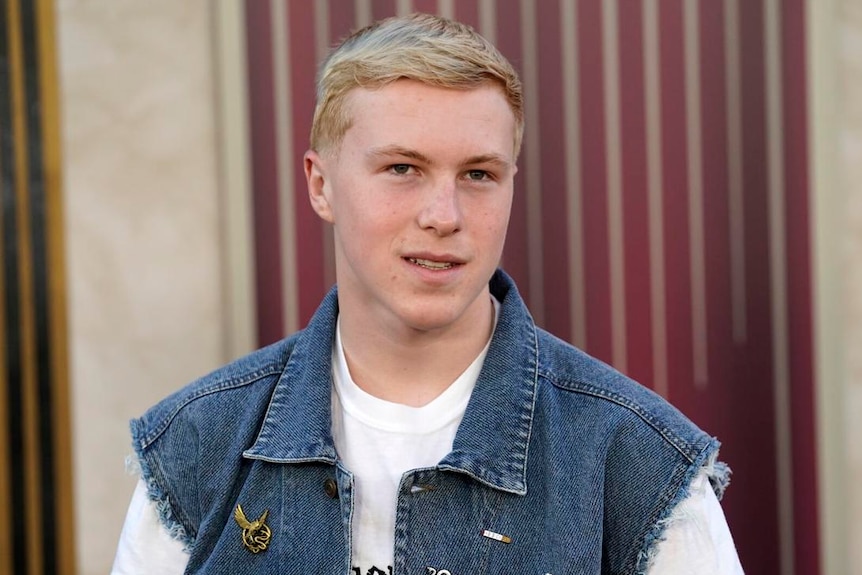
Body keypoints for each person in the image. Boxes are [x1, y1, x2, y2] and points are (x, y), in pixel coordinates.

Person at [112, 13, 743, 575]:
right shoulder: (197, 448)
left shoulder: (636, 463)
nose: (444, 215)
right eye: (402, 169)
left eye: (478, 174)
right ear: (321, 183)